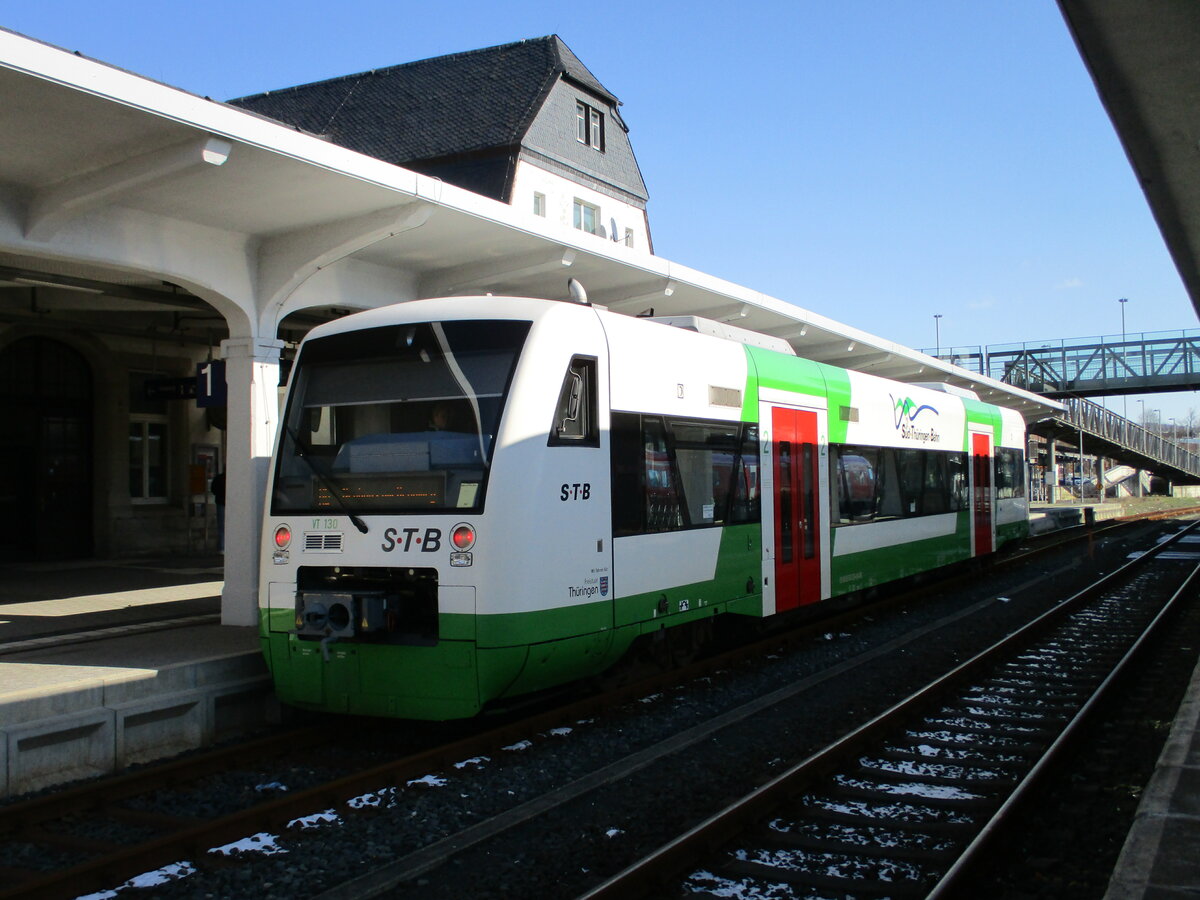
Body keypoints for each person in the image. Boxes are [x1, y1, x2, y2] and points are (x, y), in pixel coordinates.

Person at [210, 470, 226, 552]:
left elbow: (213, 489)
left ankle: (222, 547)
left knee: (222, 526)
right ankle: (222, 546)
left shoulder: (218, 478)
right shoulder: (230, 479)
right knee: (224, 526)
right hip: (225, 503)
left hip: (221, 503)